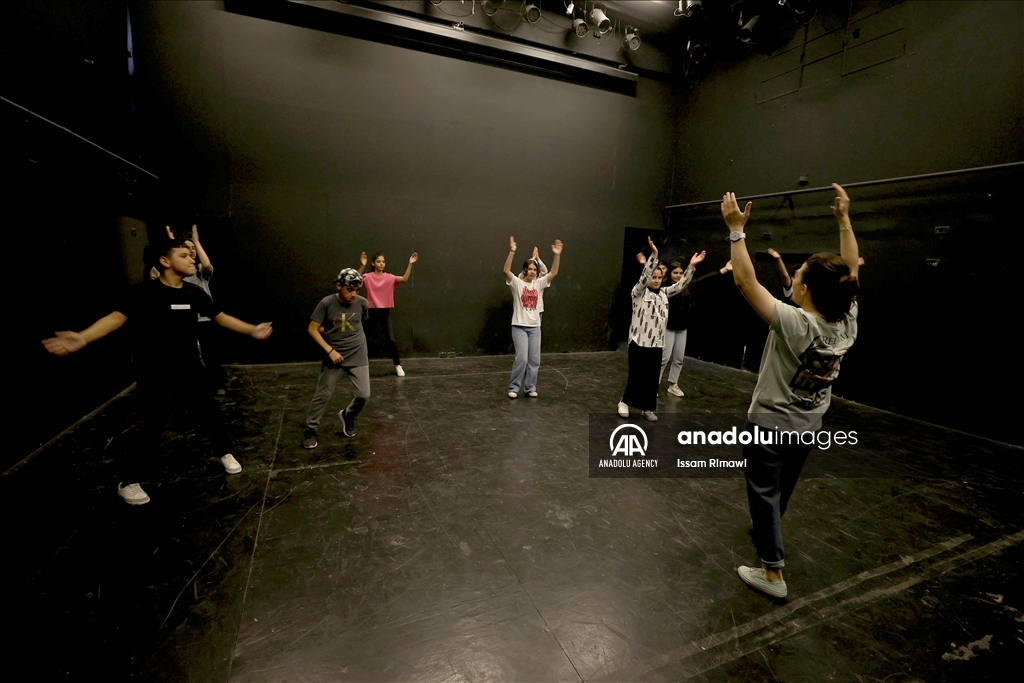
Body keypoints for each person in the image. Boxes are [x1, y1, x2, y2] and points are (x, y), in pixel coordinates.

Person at [42, 238, 273, 505]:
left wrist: (252, 329)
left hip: (190, 370)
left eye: (191, 255)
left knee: (210, 414)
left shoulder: (194, 293)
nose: (192, 259)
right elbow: (115, 319)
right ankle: (128, 482)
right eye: (184, 255)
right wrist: (83, 337)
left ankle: (224, 453)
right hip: (155, 374)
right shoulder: (143, 293)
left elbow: (221, 317)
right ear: (165, 261)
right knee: (150, 427)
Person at [723, 183, 860, 600]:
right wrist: (844, 220)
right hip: (808, 424)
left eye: (798, 274)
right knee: (778, 491)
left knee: (763, 490)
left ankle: (773, 573)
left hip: (769, 425)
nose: (795, 275)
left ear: (804, 290)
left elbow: (746, 282)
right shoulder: (846, 321)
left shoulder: (798, 323)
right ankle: (768, 528)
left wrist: (736, 231)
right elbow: (852, 274)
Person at [618, 240, 704, 420]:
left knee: (651, 378)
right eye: (653, 277)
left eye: (659, 278)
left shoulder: (664, 293)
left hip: (657, 343)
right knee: (636, 375)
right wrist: (654, 257)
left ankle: (647, 407)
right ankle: (624, 402)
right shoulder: (638, 293)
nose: (656, 280)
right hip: (639, 341)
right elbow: (644, 277)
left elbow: (680, 285)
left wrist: (691, 267)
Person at [302, 268, 371, 449]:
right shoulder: (326, 303)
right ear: (339, 286)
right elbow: (312, 329)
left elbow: (358, 324)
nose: (353, 294)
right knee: (323, 394)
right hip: (335, 356)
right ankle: (310, 429)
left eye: (357, 290)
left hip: (358, 353)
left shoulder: (362, 303)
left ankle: (348, 416)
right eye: (350, 290)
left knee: (364, 394)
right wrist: (330, 350)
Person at [503, 236, 562, 398]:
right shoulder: (517, 283)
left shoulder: (538, 284)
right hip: (519, 326)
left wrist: (557, 255)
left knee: (534, 360)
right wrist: (512, 252)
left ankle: (530, 387)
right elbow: (506, 271)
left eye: (535, 270)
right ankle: (514, 387)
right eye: (530, 269)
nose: (532, 271)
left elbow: (554, 272)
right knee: (522, 358)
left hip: (535, 327)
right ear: (524, 270)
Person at [357, 250, 418, 376]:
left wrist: (410, 263)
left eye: (383, 262)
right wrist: (362, 265)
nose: (381, 264)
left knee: (391, 340)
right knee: (365, 340)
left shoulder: (389, 277)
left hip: (384, 312)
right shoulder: (367, 277)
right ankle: (362, 366)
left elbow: (404, 278)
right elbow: (355, 280)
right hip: (371, 312)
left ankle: (398, 365)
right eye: (378, 261)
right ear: (373, 263)